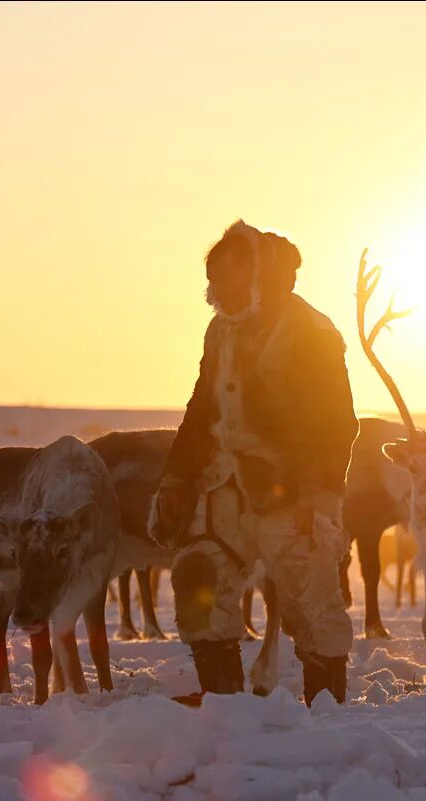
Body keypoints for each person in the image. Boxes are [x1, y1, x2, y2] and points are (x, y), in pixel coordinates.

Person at [148, 220, 358, 705]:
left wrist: (317, 496)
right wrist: (178, 479)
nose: (219, 289)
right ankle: (225, 711)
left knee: (310, 603)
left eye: (230, 278)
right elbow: (201, 408)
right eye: (215, 278)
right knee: (199, 580)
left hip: (293, 493)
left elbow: (337, 423)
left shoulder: (312, 332)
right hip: (224, 490)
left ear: (261, 276)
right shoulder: (220, 331)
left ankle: (322, 719)